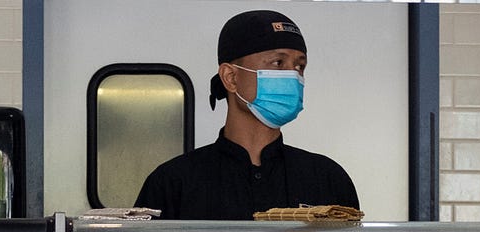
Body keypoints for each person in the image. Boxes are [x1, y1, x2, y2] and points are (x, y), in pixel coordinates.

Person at [134, 10, 360, 220]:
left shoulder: (327, 178)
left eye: (300, 66)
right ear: (230, 77)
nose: (293, 75)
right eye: (278, 63)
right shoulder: (173, 182)